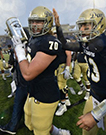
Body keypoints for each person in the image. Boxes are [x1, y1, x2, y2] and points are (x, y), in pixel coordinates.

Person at [53, 8, 106, 135]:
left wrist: (96, 115)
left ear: (98, 25)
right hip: (94, 98)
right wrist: (58, 26)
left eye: (86, 25)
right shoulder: (87, 43)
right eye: (81, 25)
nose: (82, 29)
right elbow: (66, 45)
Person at [11, 6, 70, 135]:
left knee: (40, 129)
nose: (34, 25)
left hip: (45, 94)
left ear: (47, 23)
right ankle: (57, 132)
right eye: (32, 21)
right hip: (33, 90)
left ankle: (56, 132)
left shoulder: (50, 42)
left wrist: (20, 53)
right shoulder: (34, 39)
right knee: (29, 123)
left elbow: (27, 73)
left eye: (39, 21)